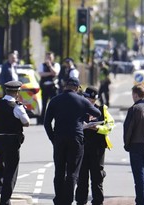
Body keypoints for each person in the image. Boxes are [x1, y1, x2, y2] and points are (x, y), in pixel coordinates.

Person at [44, 77, 101, 205]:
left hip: (59, 138)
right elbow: (96, 112)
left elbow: (47, 123)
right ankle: (68, 200)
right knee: (72, 172)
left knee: (59, 171)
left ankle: (59, 200)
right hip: (76, 138)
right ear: (77, 88)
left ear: (65, 86)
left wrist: (53, 138)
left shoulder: (54, 100)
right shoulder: (82, 100)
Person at [0, 81, 30, 205]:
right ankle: (5, 200)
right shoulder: (17, 107)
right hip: (11, 141)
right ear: (17, 92)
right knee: (10, 171)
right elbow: (26, 122)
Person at [75, 86, 114, 205]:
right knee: (82, 178)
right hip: (82, 147)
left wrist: (97, 128)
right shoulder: (79, 108)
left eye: (93, 100)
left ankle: (98, 202)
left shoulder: (102, 110)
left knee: (97, 177)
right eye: (88, 99)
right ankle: (80, 202)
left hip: (98, 149)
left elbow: (109, 127)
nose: (90, 102)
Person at [38, 51, 61, 125]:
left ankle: (57, 119)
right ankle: (42, 120)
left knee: (55, 104)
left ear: (53, 58)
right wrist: (50, 73)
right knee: (44, 104)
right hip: (44, 87)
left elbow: (55, 73)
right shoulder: (42, 65)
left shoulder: (56, 65)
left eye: (50, 57)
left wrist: (50, 66)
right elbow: (41, 74)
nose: (49, 59)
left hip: (53, 87)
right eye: (47, 57)